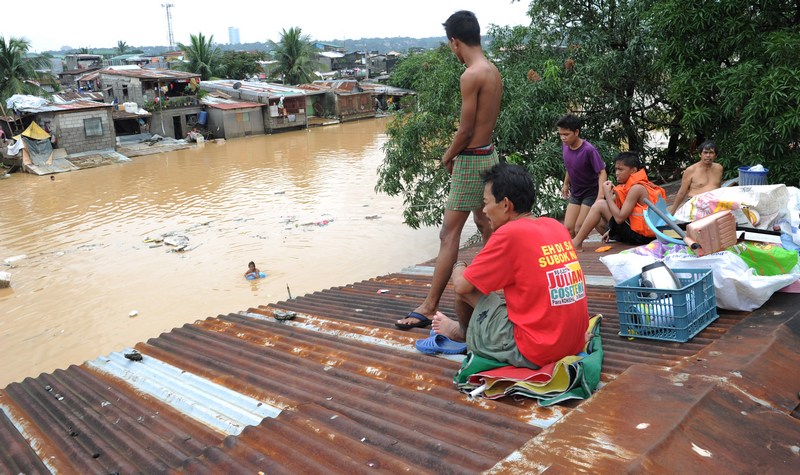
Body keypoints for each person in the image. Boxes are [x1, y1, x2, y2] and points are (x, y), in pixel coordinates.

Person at [395, 10, 502, 330]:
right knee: (485, 223)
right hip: (489, 154)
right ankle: (497, 287)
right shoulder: (492, 70)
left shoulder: (471, 75)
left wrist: (447, 156)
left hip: (470, 158)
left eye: (451, 46)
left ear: (455, 43)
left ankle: (429, 306)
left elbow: (466, 131)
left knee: (448, 233)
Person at [431, 163, 589, 368]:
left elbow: (462, 286)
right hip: (573, 342)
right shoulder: (555, 226)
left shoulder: (509, 233)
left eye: (486, 203)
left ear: (506, 205)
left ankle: (463, 334)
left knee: (466, 286)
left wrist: (458, 265)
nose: (485, 210)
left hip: (538, 350)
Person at [572, 152, 666, 251]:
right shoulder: (629, 185)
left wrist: (607, 194)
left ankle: (576, 242)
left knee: (599, 205)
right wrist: (613, 195)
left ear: (633, 170)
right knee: (596, 216)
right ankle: (613, 238)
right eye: (616, 169)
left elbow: (619, 218)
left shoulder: (637, 188)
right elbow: (612, 207)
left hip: (642, 237)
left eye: (621, 169)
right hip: (641, 232)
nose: (617, 173)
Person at [556, 114, 607, 238]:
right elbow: (570, 166)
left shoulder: (589, 150)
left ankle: (608, 230)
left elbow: (602, 172)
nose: (563, 138)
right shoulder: (565, 146)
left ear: (576, 132)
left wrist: (600, 197)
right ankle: (577, 255)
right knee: (568, 229)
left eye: (566, 134)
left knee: (579, 228)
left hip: (591, 193)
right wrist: (566, 184)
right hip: (576, 193)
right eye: (560, 134)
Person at [669, 140, 724, 214]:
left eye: (711, 153)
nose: (708, 155)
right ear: (700, 155)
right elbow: (682, 192)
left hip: (714, 205)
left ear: (716, 155)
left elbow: (718, 187)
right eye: (705, 152)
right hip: (695, 206)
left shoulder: (719, 168)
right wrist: (672, 212)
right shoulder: (691, 170)